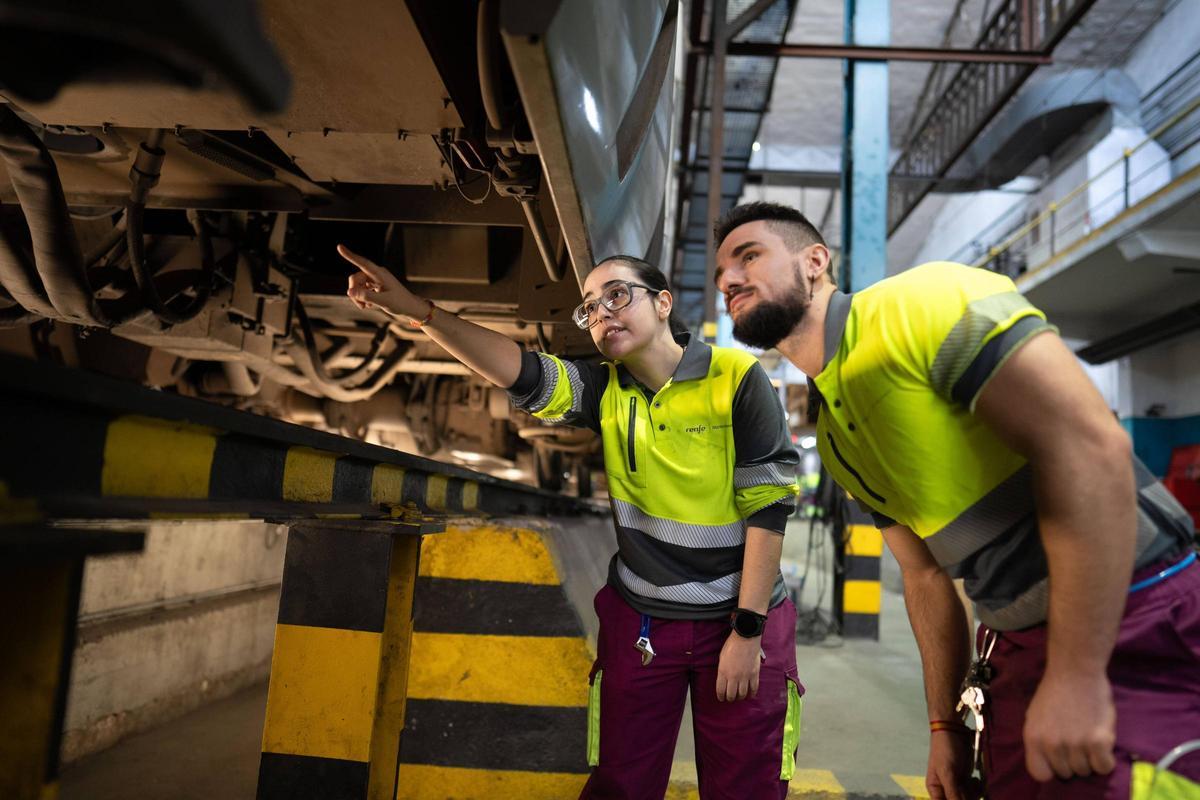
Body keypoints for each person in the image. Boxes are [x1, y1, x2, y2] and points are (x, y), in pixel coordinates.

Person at [710, 201, 1200, 800]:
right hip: (1017, 647)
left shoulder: (920, 304)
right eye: (719, 274)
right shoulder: (836, 437)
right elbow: (922, 577)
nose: (729, 278)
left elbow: (1089, 449)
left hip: (1137, 621)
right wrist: (943, 727)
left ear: (815, 262)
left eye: (748, 256)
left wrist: (1077, 675)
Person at [339, 244, 803, 799]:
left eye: (616, 295)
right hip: (644, 625)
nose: (602, 312)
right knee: (620, 785)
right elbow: (518, 369)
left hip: (740, 617)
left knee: (745, 788)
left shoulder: (736, 378)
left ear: (662, 304)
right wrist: (419, 311)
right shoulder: (605, 389)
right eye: (590, 307)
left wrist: (748, 632)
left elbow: (768, 511)